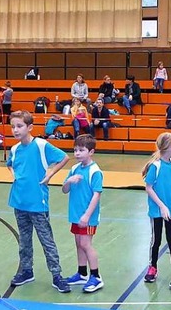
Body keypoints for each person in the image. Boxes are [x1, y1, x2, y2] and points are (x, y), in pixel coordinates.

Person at [7, 110, 71, 293]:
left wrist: (51, 172)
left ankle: (57, 275)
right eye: (13, 126)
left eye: (19, 126)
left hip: (37, 202)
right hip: (19, 201)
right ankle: (27, 271)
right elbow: (10, 164)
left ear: (30, 127)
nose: (16, 130)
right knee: (24, 239)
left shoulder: (42, 145)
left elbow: (63, 157)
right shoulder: (14, 149)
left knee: (46, 239)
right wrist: (14, 176)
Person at [62, 134, 104, 293]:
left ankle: (96, 276)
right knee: (78, 244)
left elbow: (96, 195)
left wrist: (87, 215)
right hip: (75, 214)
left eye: (81, 150)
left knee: (86, 244)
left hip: (88, 216)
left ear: (91, 151)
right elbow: (64, 190)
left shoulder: (95, 171)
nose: (77, 153)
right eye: (75, 150)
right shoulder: (74, 169)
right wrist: (69, 181)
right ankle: (82, 273)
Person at [142, 132, 171, 290]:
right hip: (157, 210)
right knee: (156, 240)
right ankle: (152, 267)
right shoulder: (156, 165)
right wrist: (161, 206)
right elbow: (149, 188)